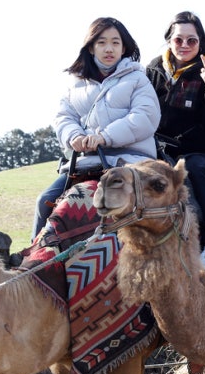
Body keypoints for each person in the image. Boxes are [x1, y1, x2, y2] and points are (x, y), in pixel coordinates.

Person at [32, 17, 161, 238]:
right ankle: (33, 263)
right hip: (85, 163)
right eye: (101, 42)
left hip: (131, 160)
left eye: (115, 42)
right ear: (91, 47)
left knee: (158, 208)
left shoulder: (138, 78)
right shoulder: (75, 83)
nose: (109, 49)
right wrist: (74, 136)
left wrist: (104, 137)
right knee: (45, 202)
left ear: (124, 47)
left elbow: (145, 117)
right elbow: (64, 116)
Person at [146, 11, 205, 270]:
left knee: (194, 170)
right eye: (178, 39)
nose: (184, 46)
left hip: (197, 151)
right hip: (157, 147)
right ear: (169, 40)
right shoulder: (153, 70)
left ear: (200, 42)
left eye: (191, 41)